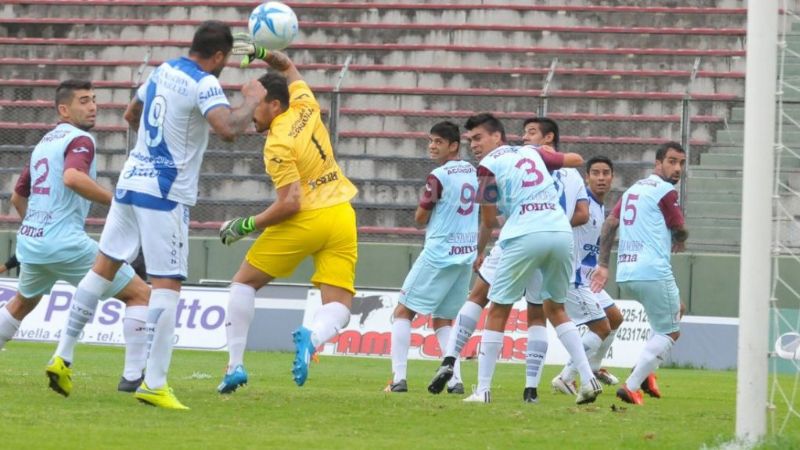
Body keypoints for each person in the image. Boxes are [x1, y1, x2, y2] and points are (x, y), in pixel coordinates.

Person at [62, 21, 266, 410]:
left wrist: (152, 150)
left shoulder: (163, 69)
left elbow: (130, 114)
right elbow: (227, 128)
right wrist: (252, 100)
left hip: (132, 179)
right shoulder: (204, 81)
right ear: (220, 56)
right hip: (165, 191)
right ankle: (154, 382)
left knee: (104, 265)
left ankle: (64, 354)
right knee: (167, 283)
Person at [216, 49, 358, 392]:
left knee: (243, 283)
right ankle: (314, 336)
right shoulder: (306, 105)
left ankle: (234, 365)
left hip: (307, 218)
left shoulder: (277, 142)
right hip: (341, 213)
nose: (251, 113)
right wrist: (263, 52)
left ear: (274, 105)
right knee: (339, 305)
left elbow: (291, 203)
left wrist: (246, 225)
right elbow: (289, 66)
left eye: (256, 105)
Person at [0, 80, 151, 397]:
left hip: (34, 241)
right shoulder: (81, 140)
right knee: (140, 294)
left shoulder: (44, 143)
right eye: (84, 101)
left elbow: (17, 196)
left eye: (94, 100)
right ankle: (133, 377)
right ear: (64, 109)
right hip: (65, 243)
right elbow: (72, 177)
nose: (93, 106)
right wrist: (117, 202)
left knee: (21, 303)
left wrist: (39, 225)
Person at [591, 142, 689, 405]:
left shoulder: (634, 189)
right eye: (671, 161)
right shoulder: (665, 191)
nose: (677, 168)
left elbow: (610, 223)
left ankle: (645, 375)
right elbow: (679, 227)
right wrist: (682, 238)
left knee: (675, 310)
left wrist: (603, 264)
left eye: (681, 162)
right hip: (652, 270)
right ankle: (632, 385)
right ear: (658, 163)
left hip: (627, 271)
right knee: (671, 332)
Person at [385, 121, 477, 394]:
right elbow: (487, 210)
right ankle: (457, 380)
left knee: (402, 312)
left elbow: (419, 217)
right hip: (465, 254)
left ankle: (398, 379)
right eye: (431, 141)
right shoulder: (475, 172)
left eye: (438, 141)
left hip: (439, 253)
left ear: (454, 146)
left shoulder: (437, 176)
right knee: (443, 320)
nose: (432, 146)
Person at [552, 156, 626, 395]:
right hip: (571, 274)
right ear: (587, 177)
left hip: (586, 275)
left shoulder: (600, 205)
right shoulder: (580, 203)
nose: (601, 178)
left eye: (606, 173)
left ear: (612, 177)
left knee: (615, 318)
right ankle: (566, 377)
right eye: (595, 173)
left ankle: (593, 368)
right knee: (601, 327)